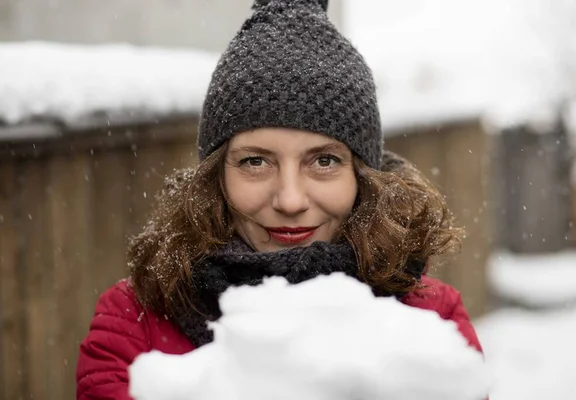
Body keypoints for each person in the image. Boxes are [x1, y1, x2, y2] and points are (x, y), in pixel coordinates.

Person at [76, 0, 483, 399]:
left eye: (324, 160)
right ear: (214, 178)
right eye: (255, 162)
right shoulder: (135, 320)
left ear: (364, 179)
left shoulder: (431, 319)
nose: (290, 200)